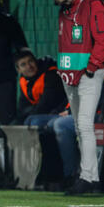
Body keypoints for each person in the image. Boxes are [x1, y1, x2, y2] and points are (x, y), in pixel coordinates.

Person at [48, 0, 104, 195]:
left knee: (85, 124)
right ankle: (90, 178)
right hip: (71, 74)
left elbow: (103, 39)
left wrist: (91, 66)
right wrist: (64, 71)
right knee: (79, 126)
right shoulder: (65, 11)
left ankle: (87, 178)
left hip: (90, 72)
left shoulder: (93, 4)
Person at [13, 49, 69, 190]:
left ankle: (48, 175)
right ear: (19, 69)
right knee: (17, 125)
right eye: (24, 64)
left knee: (33, 122)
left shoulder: (50, 74)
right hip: (43, 116)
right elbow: (21, 109)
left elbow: (46, 104)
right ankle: (22, 175)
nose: (29, 66)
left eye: (31, 61)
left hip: (59, 114)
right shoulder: (24, 81)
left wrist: (28, 115)